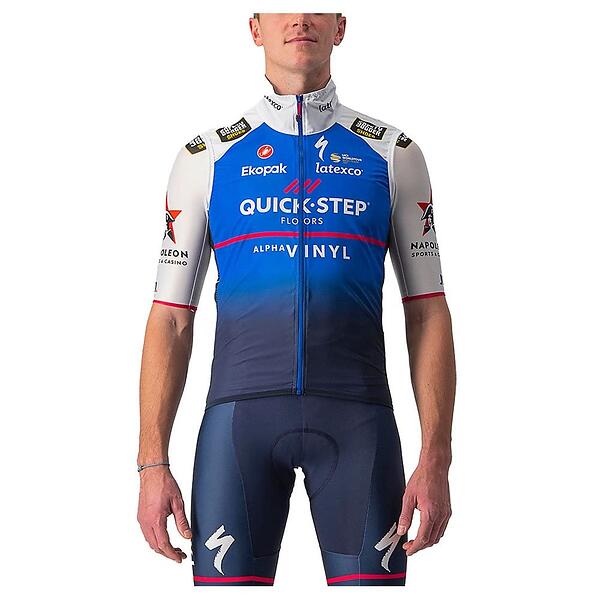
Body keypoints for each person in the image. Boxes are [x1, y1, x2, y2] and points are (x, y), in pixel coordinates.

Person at [137, 12, 456, 587]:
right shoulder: (205, 157)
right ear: (255, 27)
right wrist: (151, 463)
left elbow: (428, 310)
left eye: (318, 6)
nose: (301, 17)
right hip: (239, 426)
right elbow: (171, 320)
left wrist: (437, 458)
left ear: (340, 26)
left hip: (359, 424)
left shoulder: (393, 154)